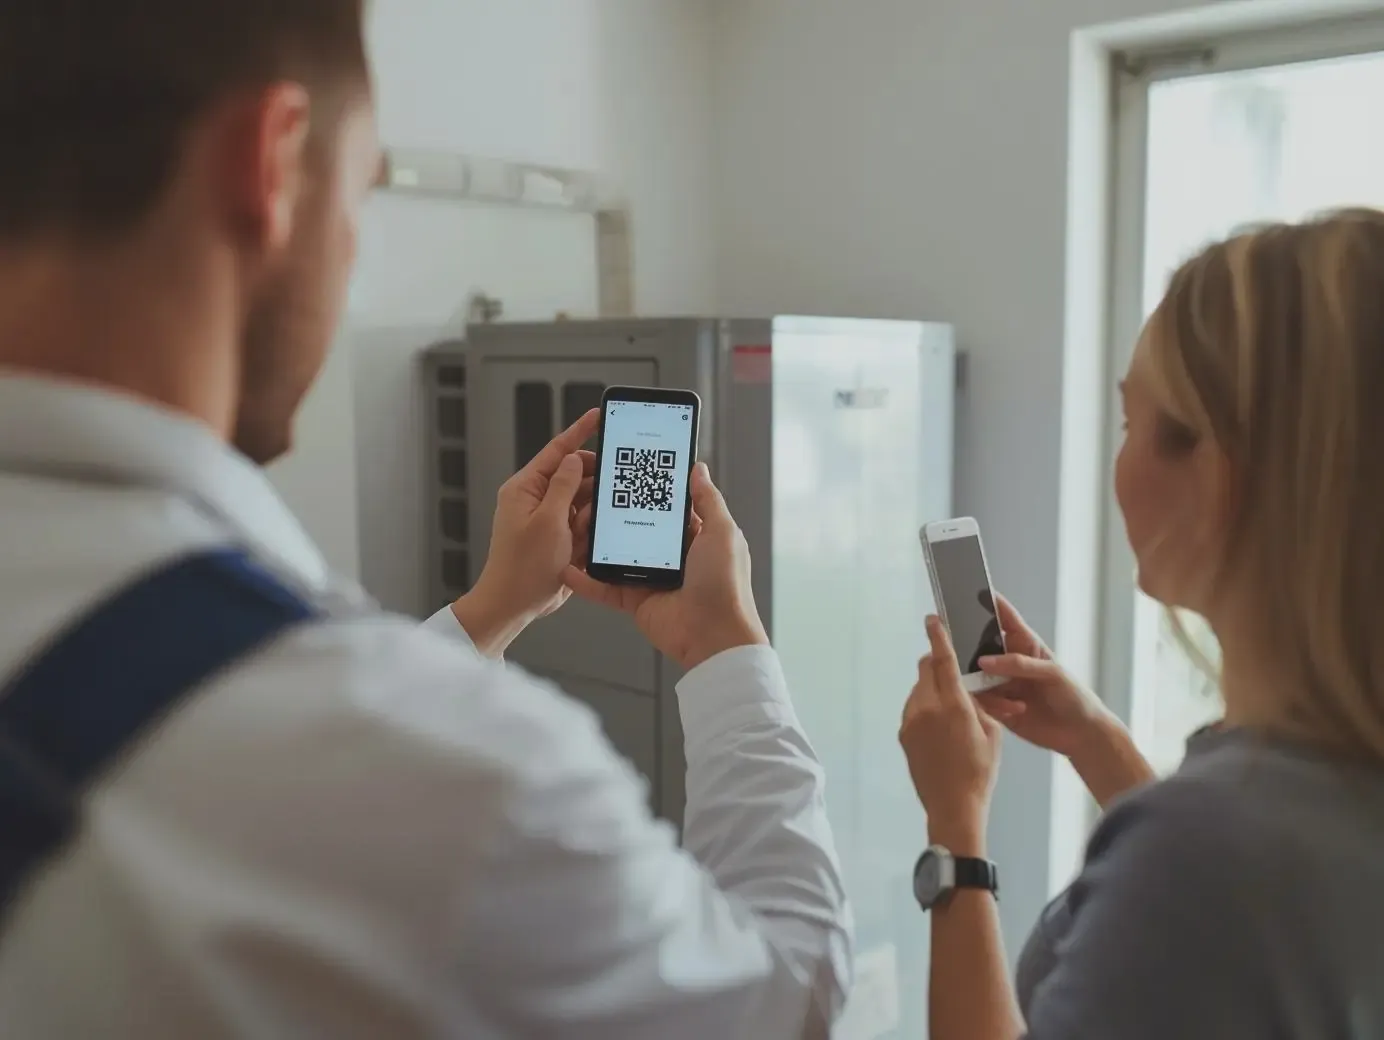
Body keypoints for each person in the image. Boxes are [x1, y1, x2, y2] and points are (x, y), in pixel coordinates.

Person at [0, 2, 851, 1036]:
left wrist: (490, 610)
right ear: (271, 161)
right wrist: (726, 648)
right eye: (359, 193)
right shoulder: (451, 779)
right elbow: (789, 999)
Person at [898, 209, 1384, 1039]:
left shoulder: (1201, 856)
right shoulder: (1328, 787)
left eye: (1133, 423)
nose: (1119, 460)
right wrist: (1096, 742)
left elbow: (1219, 886)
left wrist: (955, 835)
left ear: (1220, 472)